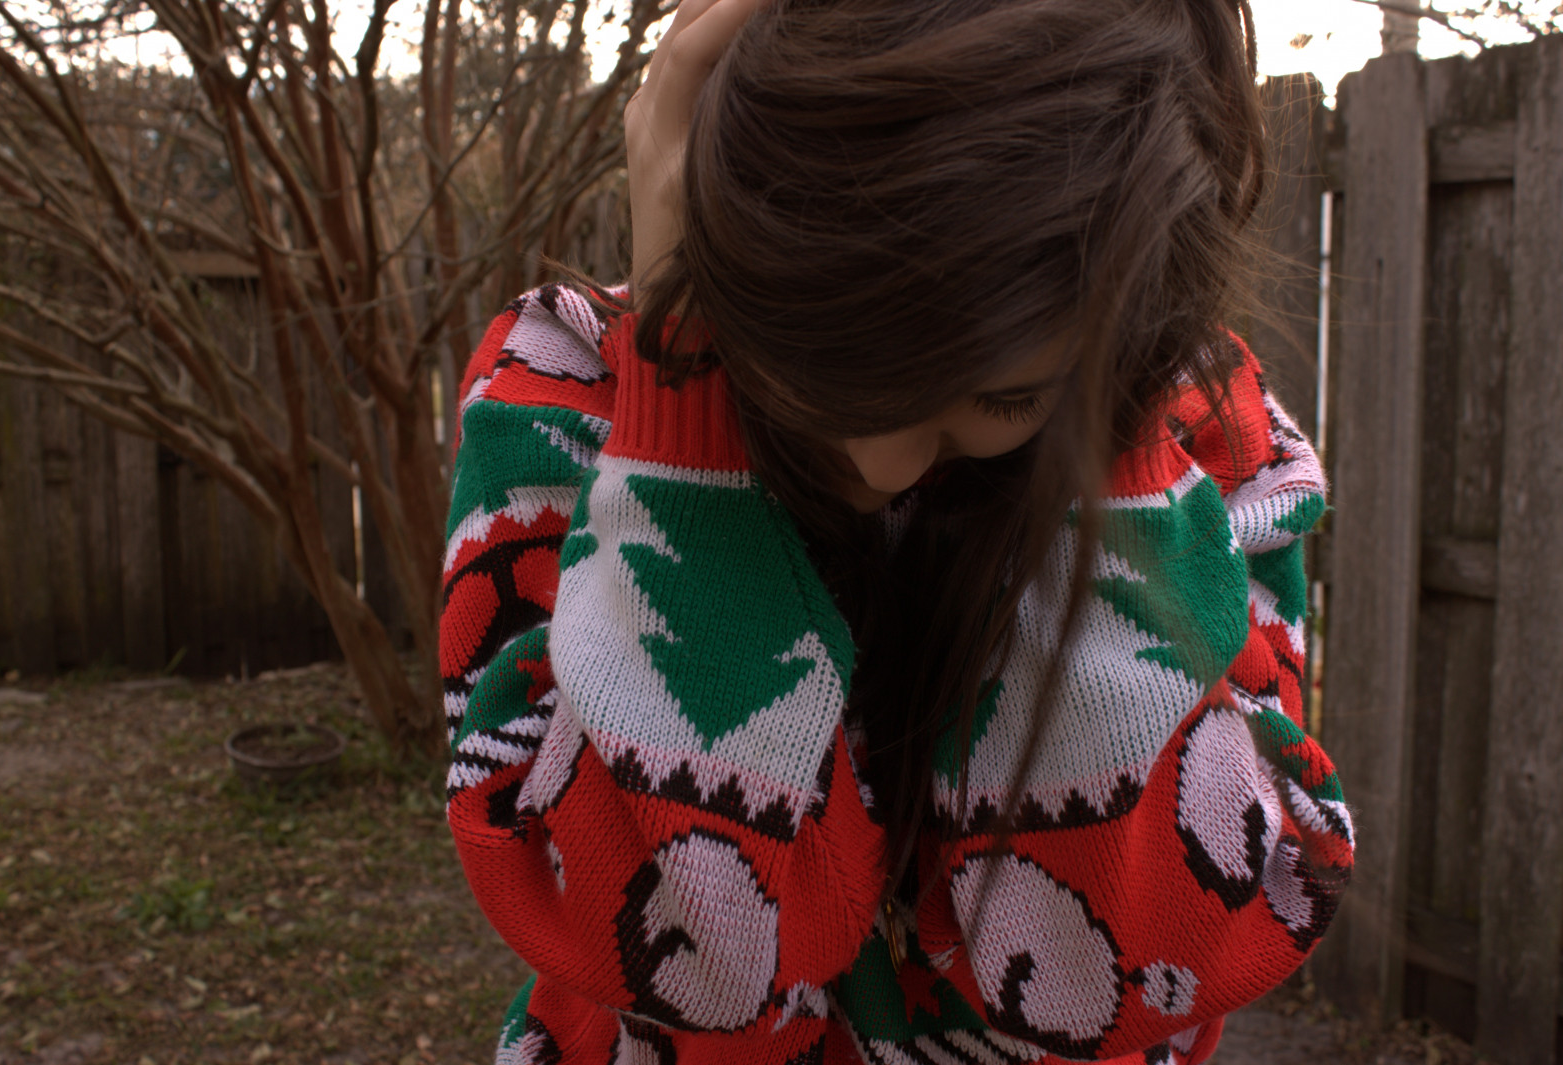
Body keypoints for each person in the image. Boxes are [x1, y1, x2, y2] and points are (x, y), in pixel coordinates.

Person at [437, 0, 1353, 1062]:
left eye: (1003, 398)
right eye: (816, 375)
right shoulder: (565, 396)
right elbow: (696, 961)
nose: (880, 464)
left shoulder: (1204, 446)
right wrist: (686, 406)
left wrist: (1108, 433)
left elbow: (1143, 960)